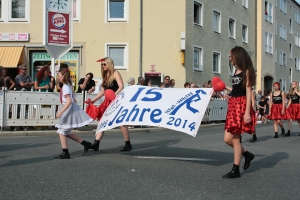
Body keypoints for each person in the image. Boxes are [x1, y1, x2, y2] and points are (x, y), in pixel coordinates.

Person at [222, 46, 256, 179]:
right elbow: (237, 89)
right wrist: (227, 91)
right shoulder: (235, 71)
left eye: (231, 56)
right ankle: (247, 154)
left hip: (241, 106)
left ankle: (235, 169)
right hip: (233, 104)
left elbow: (248, 92)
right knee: (227, 139)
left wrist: (247, 112)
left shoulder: (247, 71)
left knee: (235, 139)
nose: (230, 59)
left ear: (238, 56)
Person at [89, 57, 132, 152]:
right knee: (102, 121)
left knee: (121, 122)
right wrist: (94, 100)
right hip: (107, 101)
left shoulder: (115, 73)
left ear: (109, 64)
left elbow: (121, 86)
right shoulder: (105, 76)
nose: (103, 66)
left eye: (104, 64)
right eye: (102, 64)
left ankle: (128, 144)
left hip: (116, 100)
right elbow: (102, 91)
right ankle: (96, 143)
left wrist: (114, 95)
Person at [55, 68, 93, 159]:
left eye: (59, 76)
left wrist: (60, 112)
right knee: (66, 132)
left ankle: (65, 152)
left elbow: (69, 101)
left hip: (67, 109)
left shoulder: (65, 87)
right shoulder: (67, 85)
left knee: (61, 131)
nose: (58, 77)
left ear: (63, 76)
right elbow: (73, 99)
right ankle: (85, 143)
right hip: (68, 109)